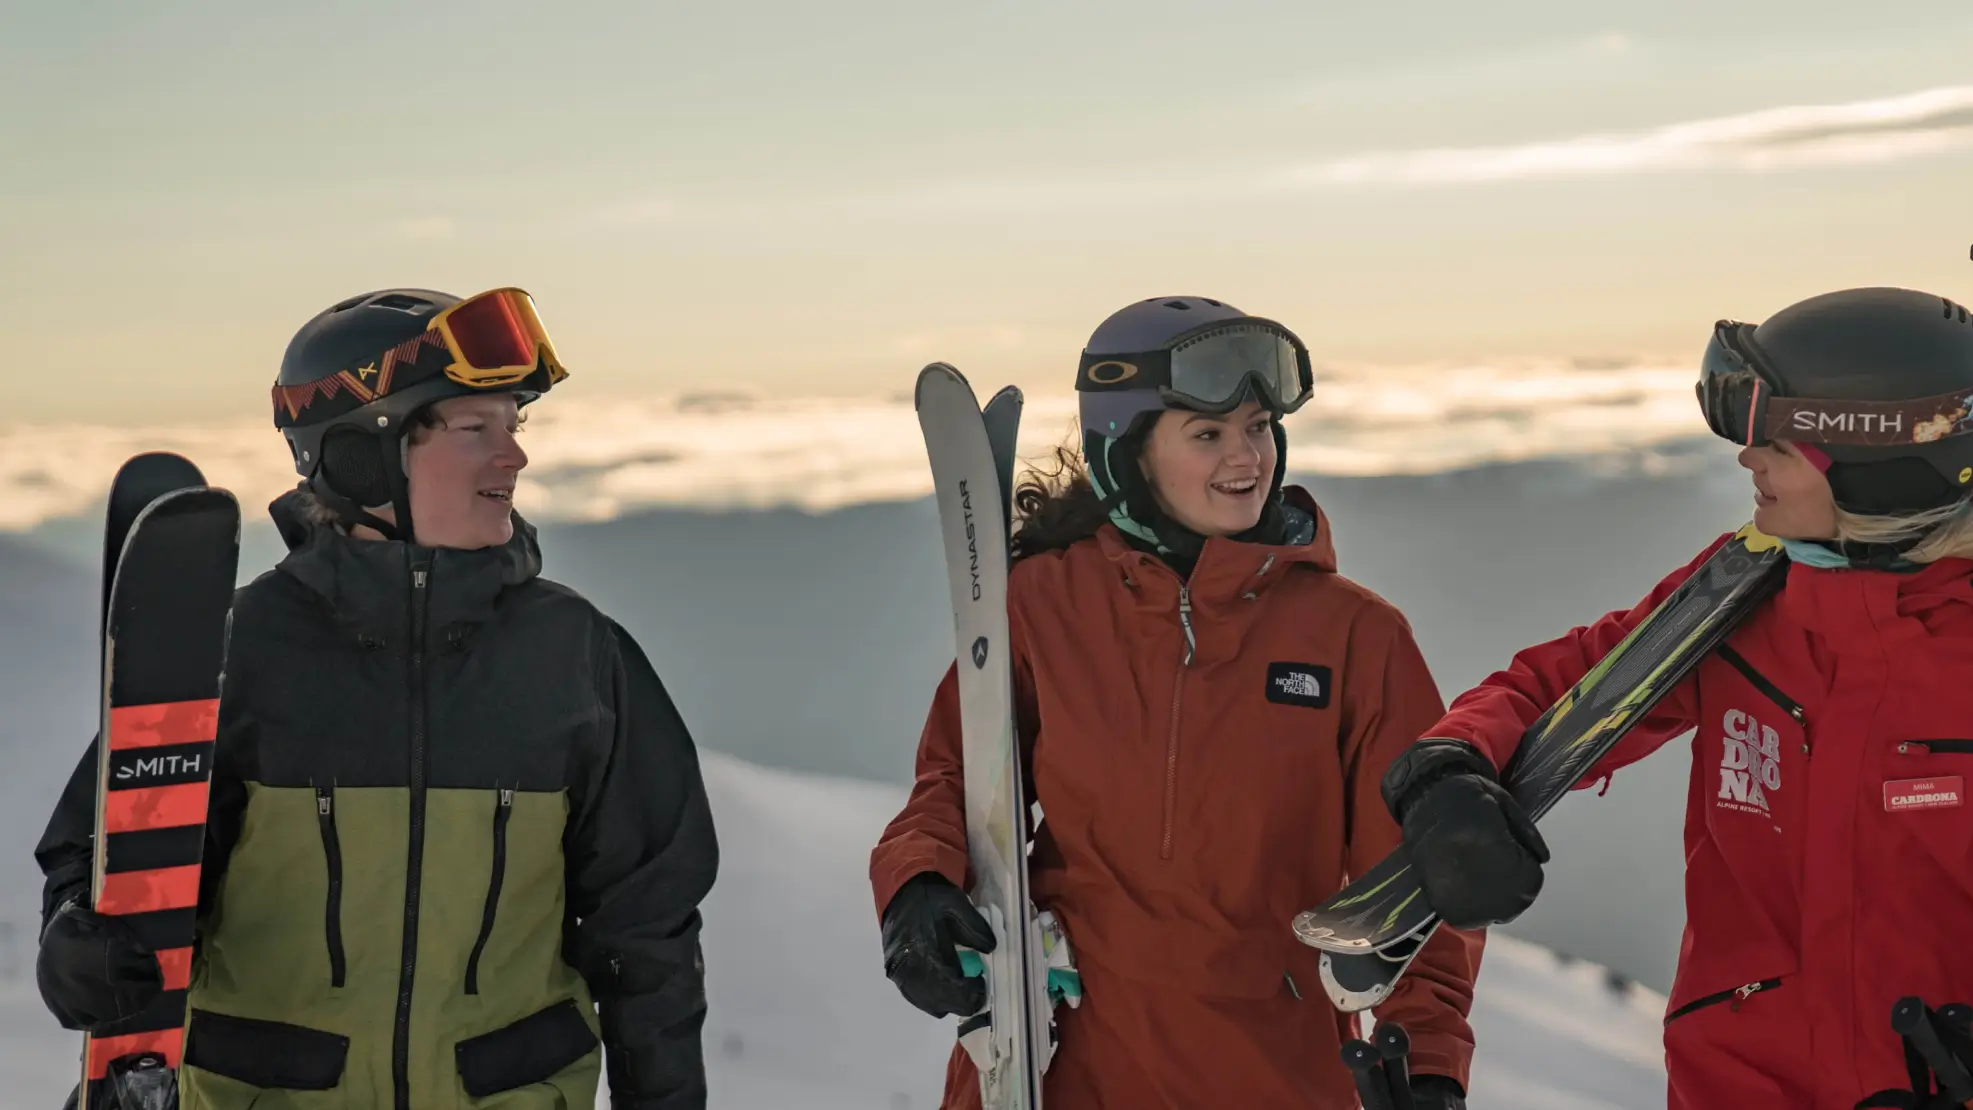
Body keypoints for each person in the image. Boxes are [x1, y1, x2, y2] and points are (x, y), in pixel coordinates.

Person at [1379, 287, 1973, 1110]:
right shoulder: (1743, 598)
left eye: (1774, 444)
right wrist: (1453, 761)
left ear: (1868, 471)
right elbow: (1575, 680)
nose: (1748, 461)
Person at [33, 287, 718, 1110]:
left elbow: (649, 935)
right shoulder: (236, 651)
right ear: (360, 456)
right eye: (476, 429)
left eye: (514, 426)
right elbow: (106, 857)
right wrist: (78, 939)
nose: (515, 457)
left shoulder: (576, 653)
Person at [870, 296, 1482, 1108]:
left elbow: (1419, 881)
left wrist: (1429, 1059)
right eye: (1208, 434)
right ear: (1128, 455)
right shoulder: (1042, 607)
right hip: (1065, 1066)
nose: (1247, 458)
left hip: (1272, 1076)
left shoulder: (1356, 640)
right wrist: (917, 883)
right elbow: (954, 777)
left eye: (1259, 426)